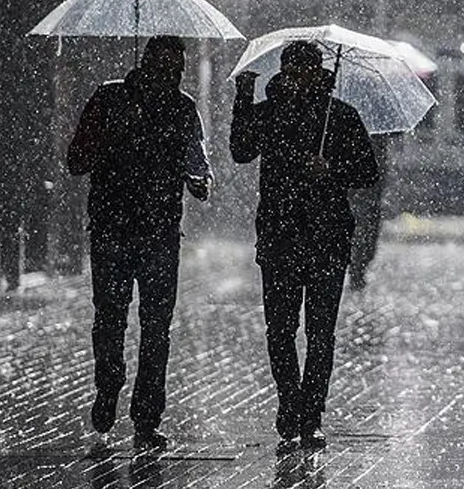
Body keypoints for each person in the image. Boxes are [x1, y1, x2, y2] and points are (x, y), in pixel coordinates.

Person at [230, 41, 380, 453]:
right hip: (279, 236)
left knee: (320, 332)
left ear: (318, 73)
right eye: (291, 71)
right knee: (280, 330)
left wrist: (331, 168)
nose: (296, 80)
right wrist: (243, 98)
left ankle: (311, 415)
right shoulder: (270, 112)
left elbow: (367, 172)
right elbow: (241, 151)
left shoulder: (341, 116)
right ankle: (289, 402)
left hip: (327, 237)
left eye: (304, 72)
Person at [66, 35, 212, 451]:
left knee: (156, 327)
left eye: (176, 70)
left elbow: (198, 163)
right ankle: (109, 384)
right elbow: (76, 160)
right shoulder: (109, 99)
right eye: (162, 68)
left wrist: (199, 181)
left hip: (160, 233)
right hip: (113, 230)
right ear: (144, 64)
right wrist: (115, 136)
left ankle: (147, 417)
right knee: (111, 319)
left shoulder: (182, 108)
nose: (169, 77)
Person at [349, 132, 391, 290]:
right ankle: (356, 266)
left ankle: (357, 266)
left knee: (366, 234)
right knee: (364, 233)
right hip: (360, 196)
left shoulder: (378, 139)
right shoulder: (375, 136)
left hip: (368, 197)